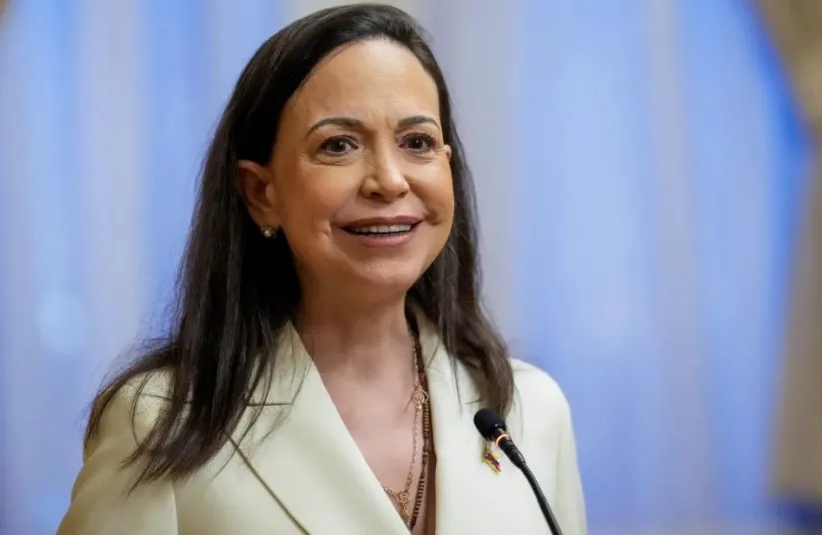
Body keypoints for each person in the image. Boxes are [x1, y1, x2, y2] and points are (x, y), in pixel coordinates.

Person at [57, 4, 587, 534]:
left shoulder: (530, 409)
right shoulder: (160, 421)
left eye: (417, 142)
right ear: (261, 194)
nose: (389, 180)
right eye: (338, 145)